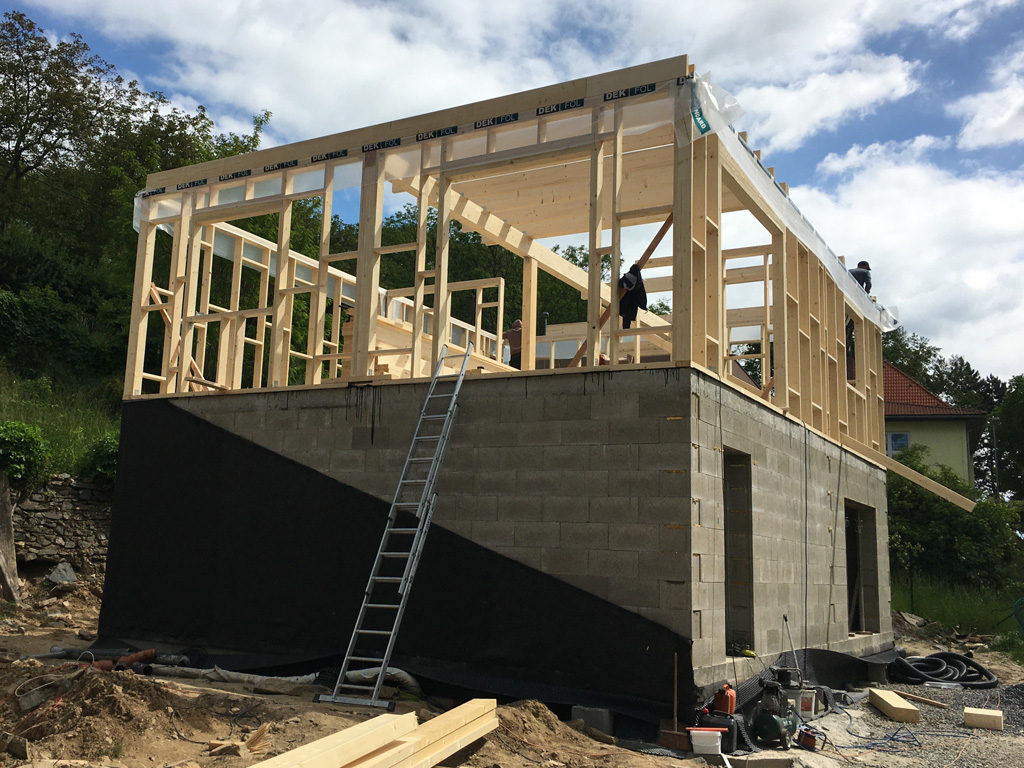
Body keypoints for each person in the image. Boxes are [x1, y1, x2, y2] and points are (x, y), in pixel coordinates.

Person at [618, 263, 647, 329]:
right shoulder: (638, 282)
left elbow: (620, 284)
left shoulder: (629, 278)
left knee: (626, 321)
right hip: (629, 306)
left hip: (627, 306)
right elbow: (641, 297)